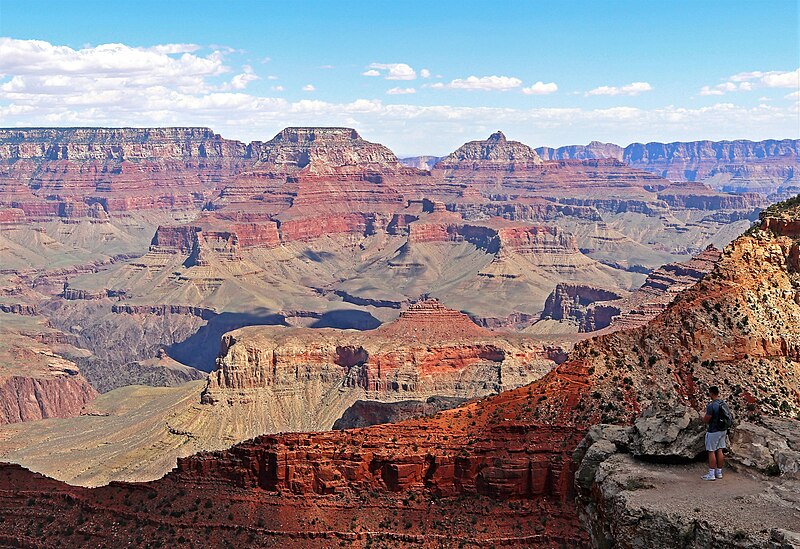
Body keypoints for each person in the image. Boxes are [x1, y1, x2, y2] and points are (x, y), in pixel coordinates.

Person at [701, 386, 727, 481]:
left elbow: (707, 419)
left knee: (711, 451)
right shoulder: (723, 403)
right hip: (723, 430)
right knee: (720, 450)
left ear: (711, 393)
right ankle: (719, 472)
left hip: (713, 431)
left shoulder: (711, 406)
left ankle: (711, 474)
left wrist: (702, 419)